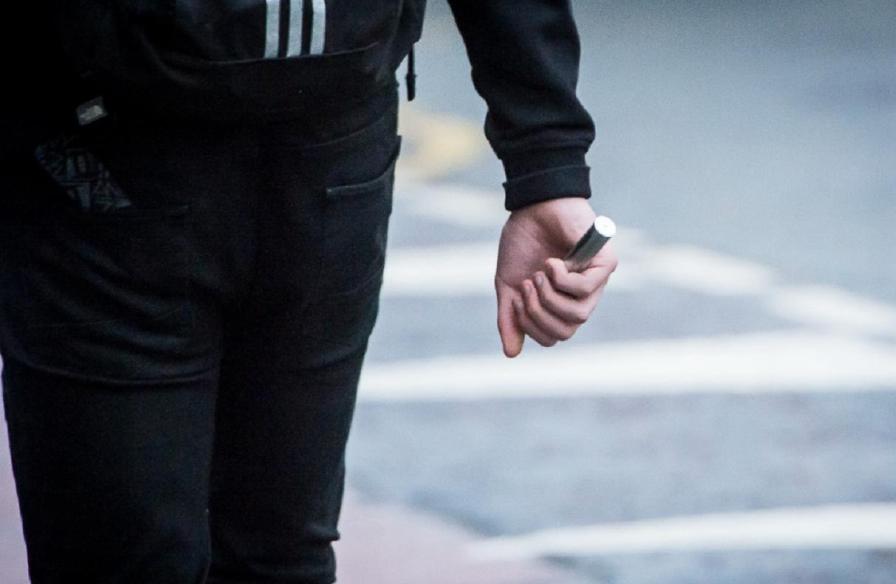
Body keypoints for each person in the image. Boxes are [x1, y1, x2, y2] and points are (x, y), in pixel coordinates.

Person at [0, 0, 617, 582]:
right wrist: (547, 165)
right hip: (333, 156)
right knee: (277, 553)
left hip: (100, 159)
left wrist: (548, 165)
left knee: (121, 556)